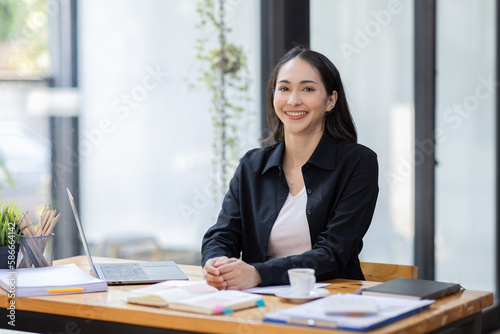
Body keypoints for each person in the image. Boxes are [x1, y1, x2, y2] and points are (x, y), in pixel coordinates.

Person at [201, 46, 379, 290]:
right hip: (258, 300)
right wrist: (216, 262)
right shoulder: (252, 166)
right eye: (284, 89)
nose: (294, 100)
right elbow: (222, 234)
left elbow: (332, 253)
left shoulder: (358, 163)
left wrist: (258, 274)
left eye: (307, 89)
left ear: (330, 100)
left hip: (331, 301)